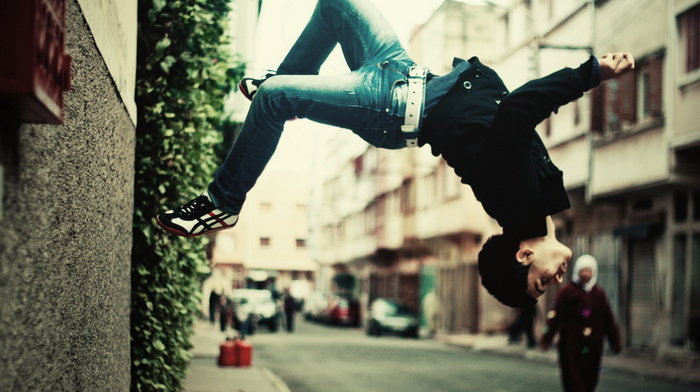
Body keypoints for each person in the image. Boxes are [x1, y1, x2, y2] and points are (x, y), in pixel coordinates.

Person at [156, 0, 635, 307]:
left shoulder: (519, 204)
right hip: (406, 74)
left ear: (524, 254)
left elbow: (514, 115)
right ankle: (285, 84)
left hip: (391, 106)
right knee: (333, 6)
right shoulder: (538, 201)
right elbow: (506, 117)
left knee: (274, 100)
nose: (555, 280)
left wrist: (589, 74)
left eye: (540, 282)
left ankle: (223, 203)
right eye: (545, 285)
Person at [540, 255, 622, 392]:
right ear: (577, 271)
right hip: (571, 345)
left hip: (593, 345)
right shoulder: (567, 292)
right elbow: (555, 315)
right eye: (583, 270)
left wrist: (615, 342)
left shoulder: (599, 293)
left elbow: (608, 319)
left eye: (589, 271)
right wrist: (546, 338)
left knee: (590, 379)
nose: (586, 274)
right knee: (573, 380)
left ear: (594, 272)